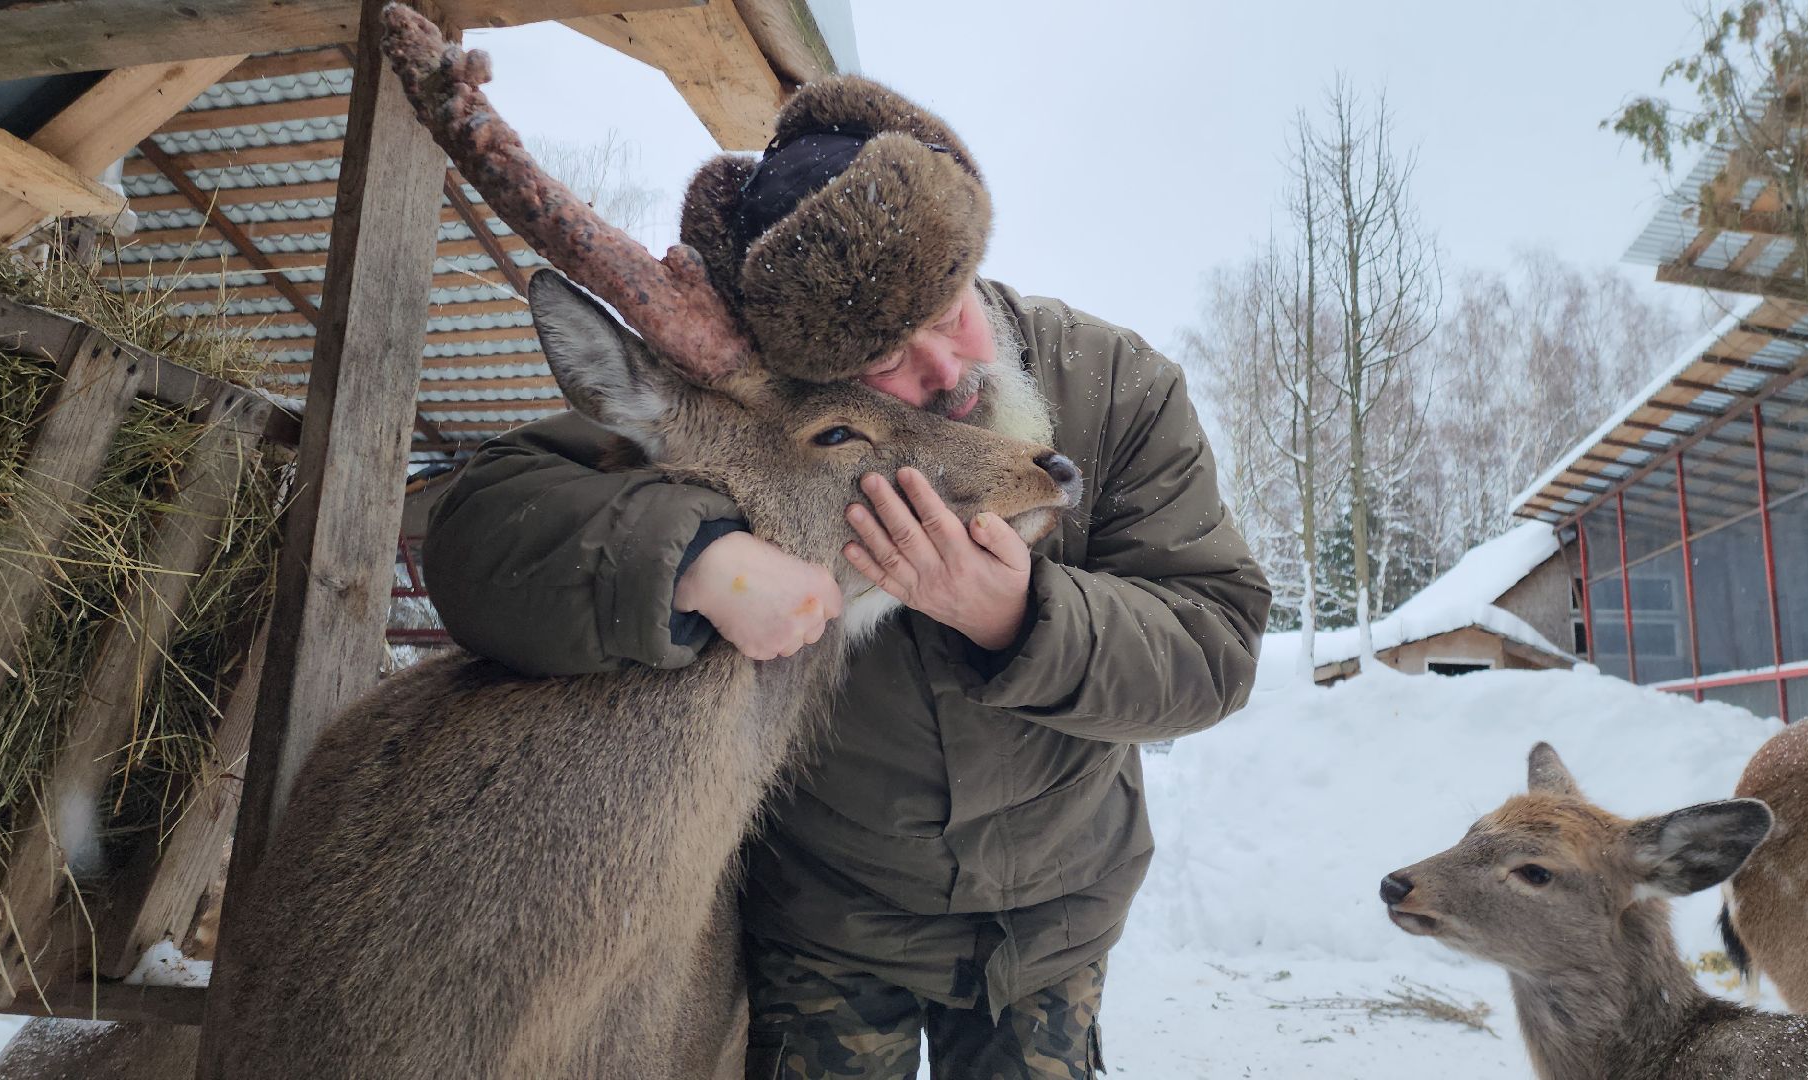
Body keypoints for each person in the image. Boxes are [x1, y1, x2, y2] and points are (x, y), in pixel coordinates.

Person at [423, 75, 1271, 1080]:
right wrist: (692, 555)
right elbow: (483, 518)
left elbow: (1215, 649)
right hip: (824, 917)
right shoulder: (768, 394)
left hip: (1047, 919)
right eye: (881, 362)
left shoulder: (1116, 387)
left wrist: (1023, 617)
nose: (945, 372)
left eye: (946, 312)